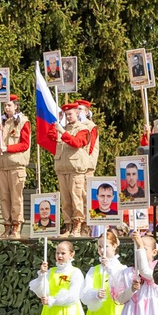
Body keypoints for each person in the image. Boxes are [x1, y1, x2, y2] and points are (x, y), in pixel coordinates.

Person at [56, 100, 100, 235]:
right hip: (64, 167)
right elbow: (51, 138)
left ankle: (80, 225)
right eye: (66, 114)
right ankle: (68, 225)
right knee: (66, 200)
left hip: (78, 167)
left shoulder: (84, 128)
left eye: (71, 114)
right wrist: (57, 123)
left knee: (78, 198)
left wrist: (62, 132)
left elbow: (80, 143)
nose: (68, 117)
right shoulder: (65, 128)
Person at [0, 97, 31, 239]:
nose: (6, 108)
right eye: (5, 105)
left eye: (9, 105)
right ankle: (7, 225)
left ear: (16, 106)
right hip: (2, 165)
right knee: (4, 197)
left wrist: (8, 148)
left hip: (16, 165)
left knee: (16, 197)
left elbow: (25, 144)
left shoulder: (23, 121)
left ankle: (16, 226)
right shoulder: (1, 121)